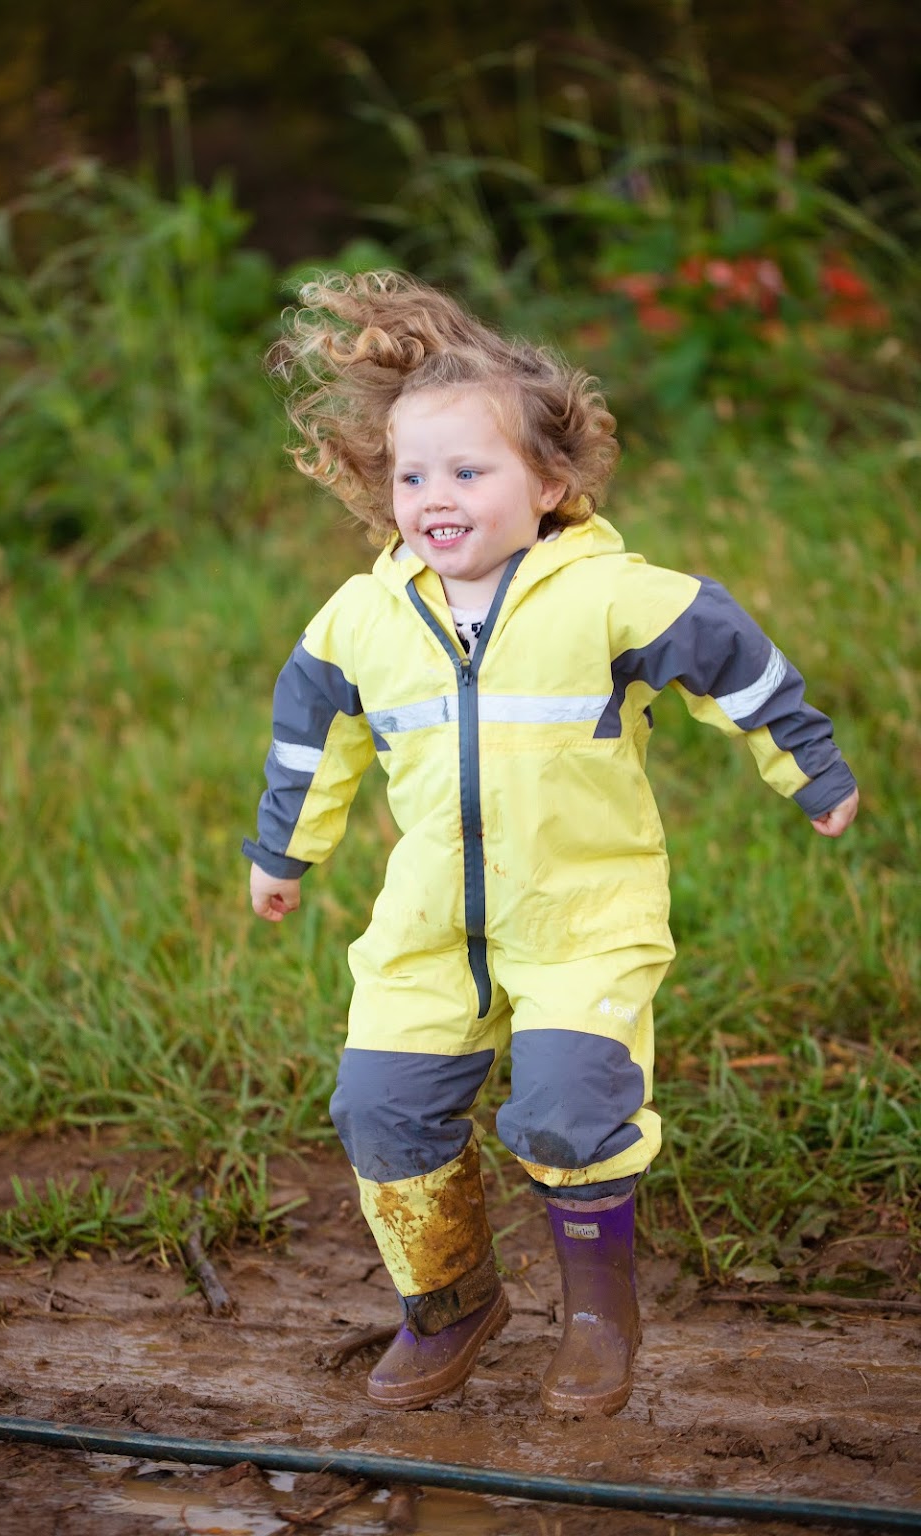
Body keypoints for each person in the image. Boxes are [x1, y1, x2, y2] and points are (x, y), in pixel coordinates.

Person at [242, 270, 859, 1417]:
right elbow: (309, 735)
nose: (435, 495)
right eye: (412, 474)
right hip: (430, 925)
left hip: (582, 918)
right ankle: (452, 1302)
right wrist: (285, 851)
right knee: (379, 1105)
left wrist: (808, 765)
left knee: (569, 1110)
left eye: (469, 472)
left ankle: (595, 1317)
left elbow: (734, 659)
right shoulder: (363, 618)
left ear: (551, 484)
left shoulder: (607, 597)